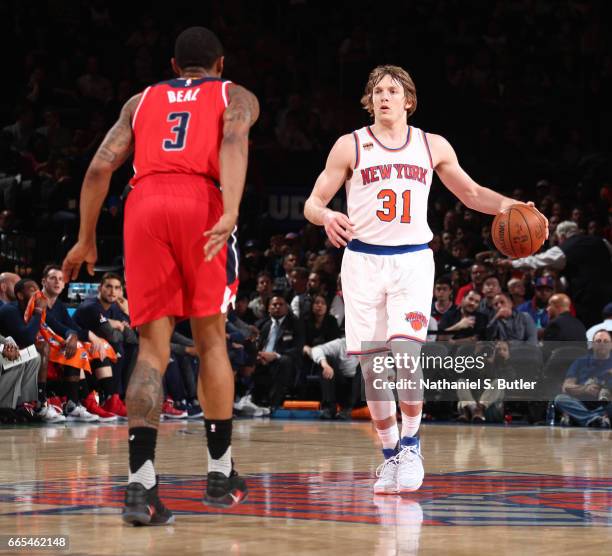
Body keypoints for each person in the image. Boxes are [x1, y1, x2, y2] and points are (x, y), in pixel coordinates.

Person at [304, 64, 546, 494]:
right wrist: (325, 215)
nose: (383, 96)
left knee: (404, 354)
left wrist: (511, 205)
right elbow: (314, 200)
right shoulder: (350, 145)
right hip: (361, 263)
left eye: (392, 90)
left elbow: (470, 193)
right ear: (369, 100)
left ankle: (413, 446)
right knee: (374, 369)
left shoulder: (431, 146)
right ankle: (391, 455)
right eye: (377, 90)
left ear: (408, 100)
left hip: (412, 261)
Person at [61, 27, 259, 524]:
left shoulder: (140, 100)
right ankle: (219, 475)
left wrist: (85, 238)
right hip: (200, 198)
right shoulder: (233, 93)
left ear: (174, 66)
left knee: (152, 346)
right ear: (219, 64)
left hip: (144, 202)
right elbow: (234, 137)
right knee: (212, 339)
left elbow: (100, 167)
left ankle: (141, 486)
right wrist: (231, 208)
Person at [497, 221, 612, 327]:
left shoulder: (564, 248)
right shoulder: (602, 242)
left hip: (586, 300)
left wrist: (512, 264)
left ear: (561, 236)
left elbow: (536, 261)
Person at [553, 329, 611, 428]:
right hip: (580, 402)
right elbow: (566, 387)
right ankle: (596, 419)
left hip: (605, 404)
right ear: (592, 344)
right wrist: (585, 389)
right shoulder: (580, 362)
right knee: (560, 399)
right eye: (598, 341)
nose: (602, 344)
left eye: (606, 341)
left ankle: (581, 418)